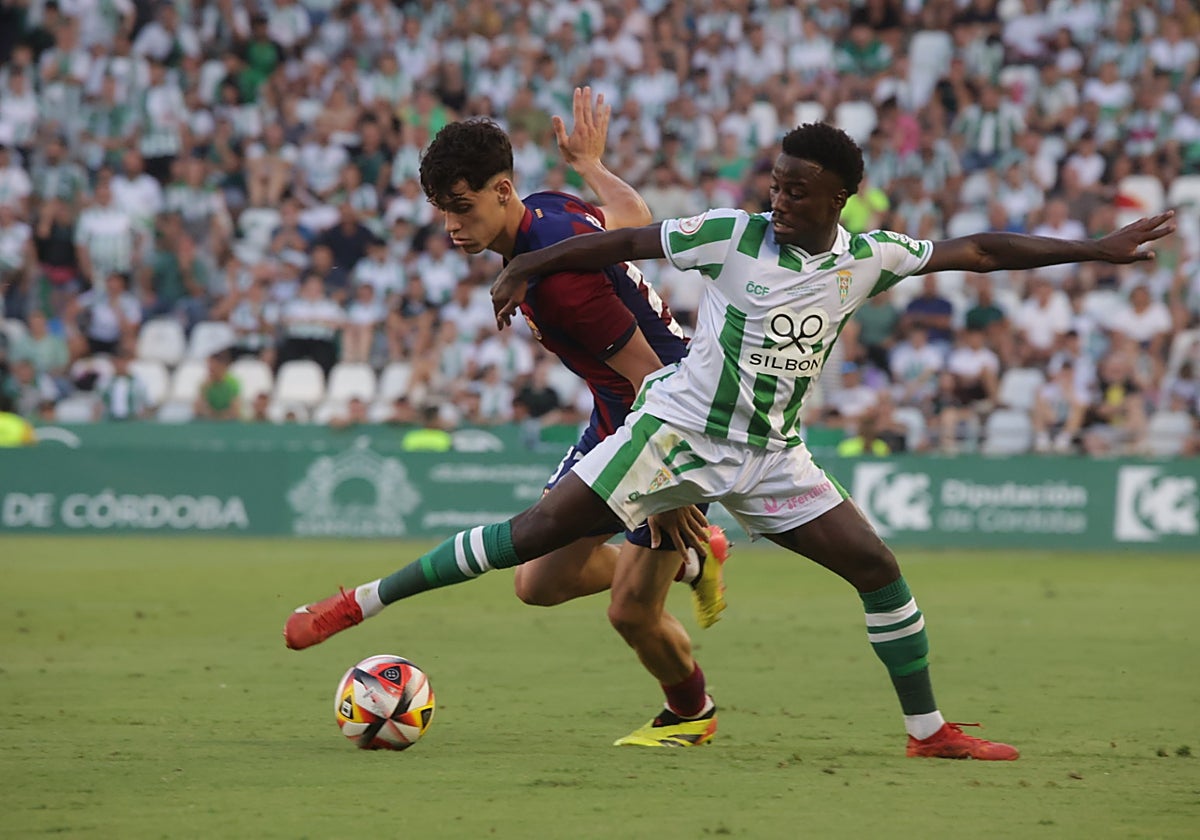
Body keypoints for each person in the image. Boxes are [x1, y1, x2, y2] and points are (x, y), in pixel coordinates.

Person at [288, 122, 1173, 756]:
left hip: (770, 456)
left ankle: (928, 731)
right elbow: (630, 236)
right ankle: (357, 603)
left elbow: (977, 251)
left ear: (838, 197)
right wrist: (528, 264)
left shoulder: (868, 257)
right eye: (774, 183)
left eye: (796, 189)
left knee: (880, 572)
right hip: (671, 432)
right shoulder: (732, 236)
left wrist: (1097, 248)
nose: (778, 199)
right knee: (527, 546)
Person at [289, 90, 730, 749]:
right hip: (616, 418)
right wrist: (591, 164)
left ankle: (692, 714)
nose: (453, 229)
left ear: (501, 190)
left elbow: (653, 380)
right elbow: (631, 218)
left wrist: (662, 490)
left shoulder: (562, 285)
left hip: (669, 422)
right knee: (538, 583)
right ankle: (697, 562)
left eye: (463, 210)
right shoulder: (549, 210)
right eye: (444, 213)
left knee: (632, 614)